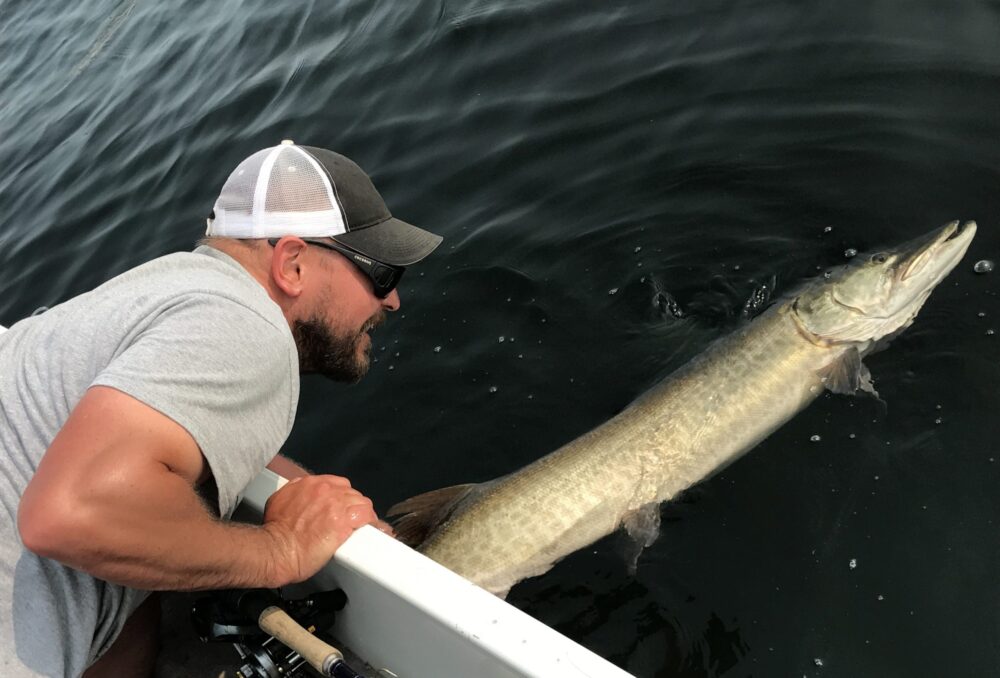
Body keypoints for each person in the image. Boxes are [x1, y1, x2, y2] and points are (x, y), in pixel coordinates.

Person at [0, 140, 442, 677]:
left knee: (136, 609)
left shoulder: (158, 289)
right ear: (293, 264)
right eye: (381, 274)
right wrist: (281, 550)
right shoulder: (247, 325)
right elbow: (66, 515)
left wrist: (303, 489)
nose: (392, 300)